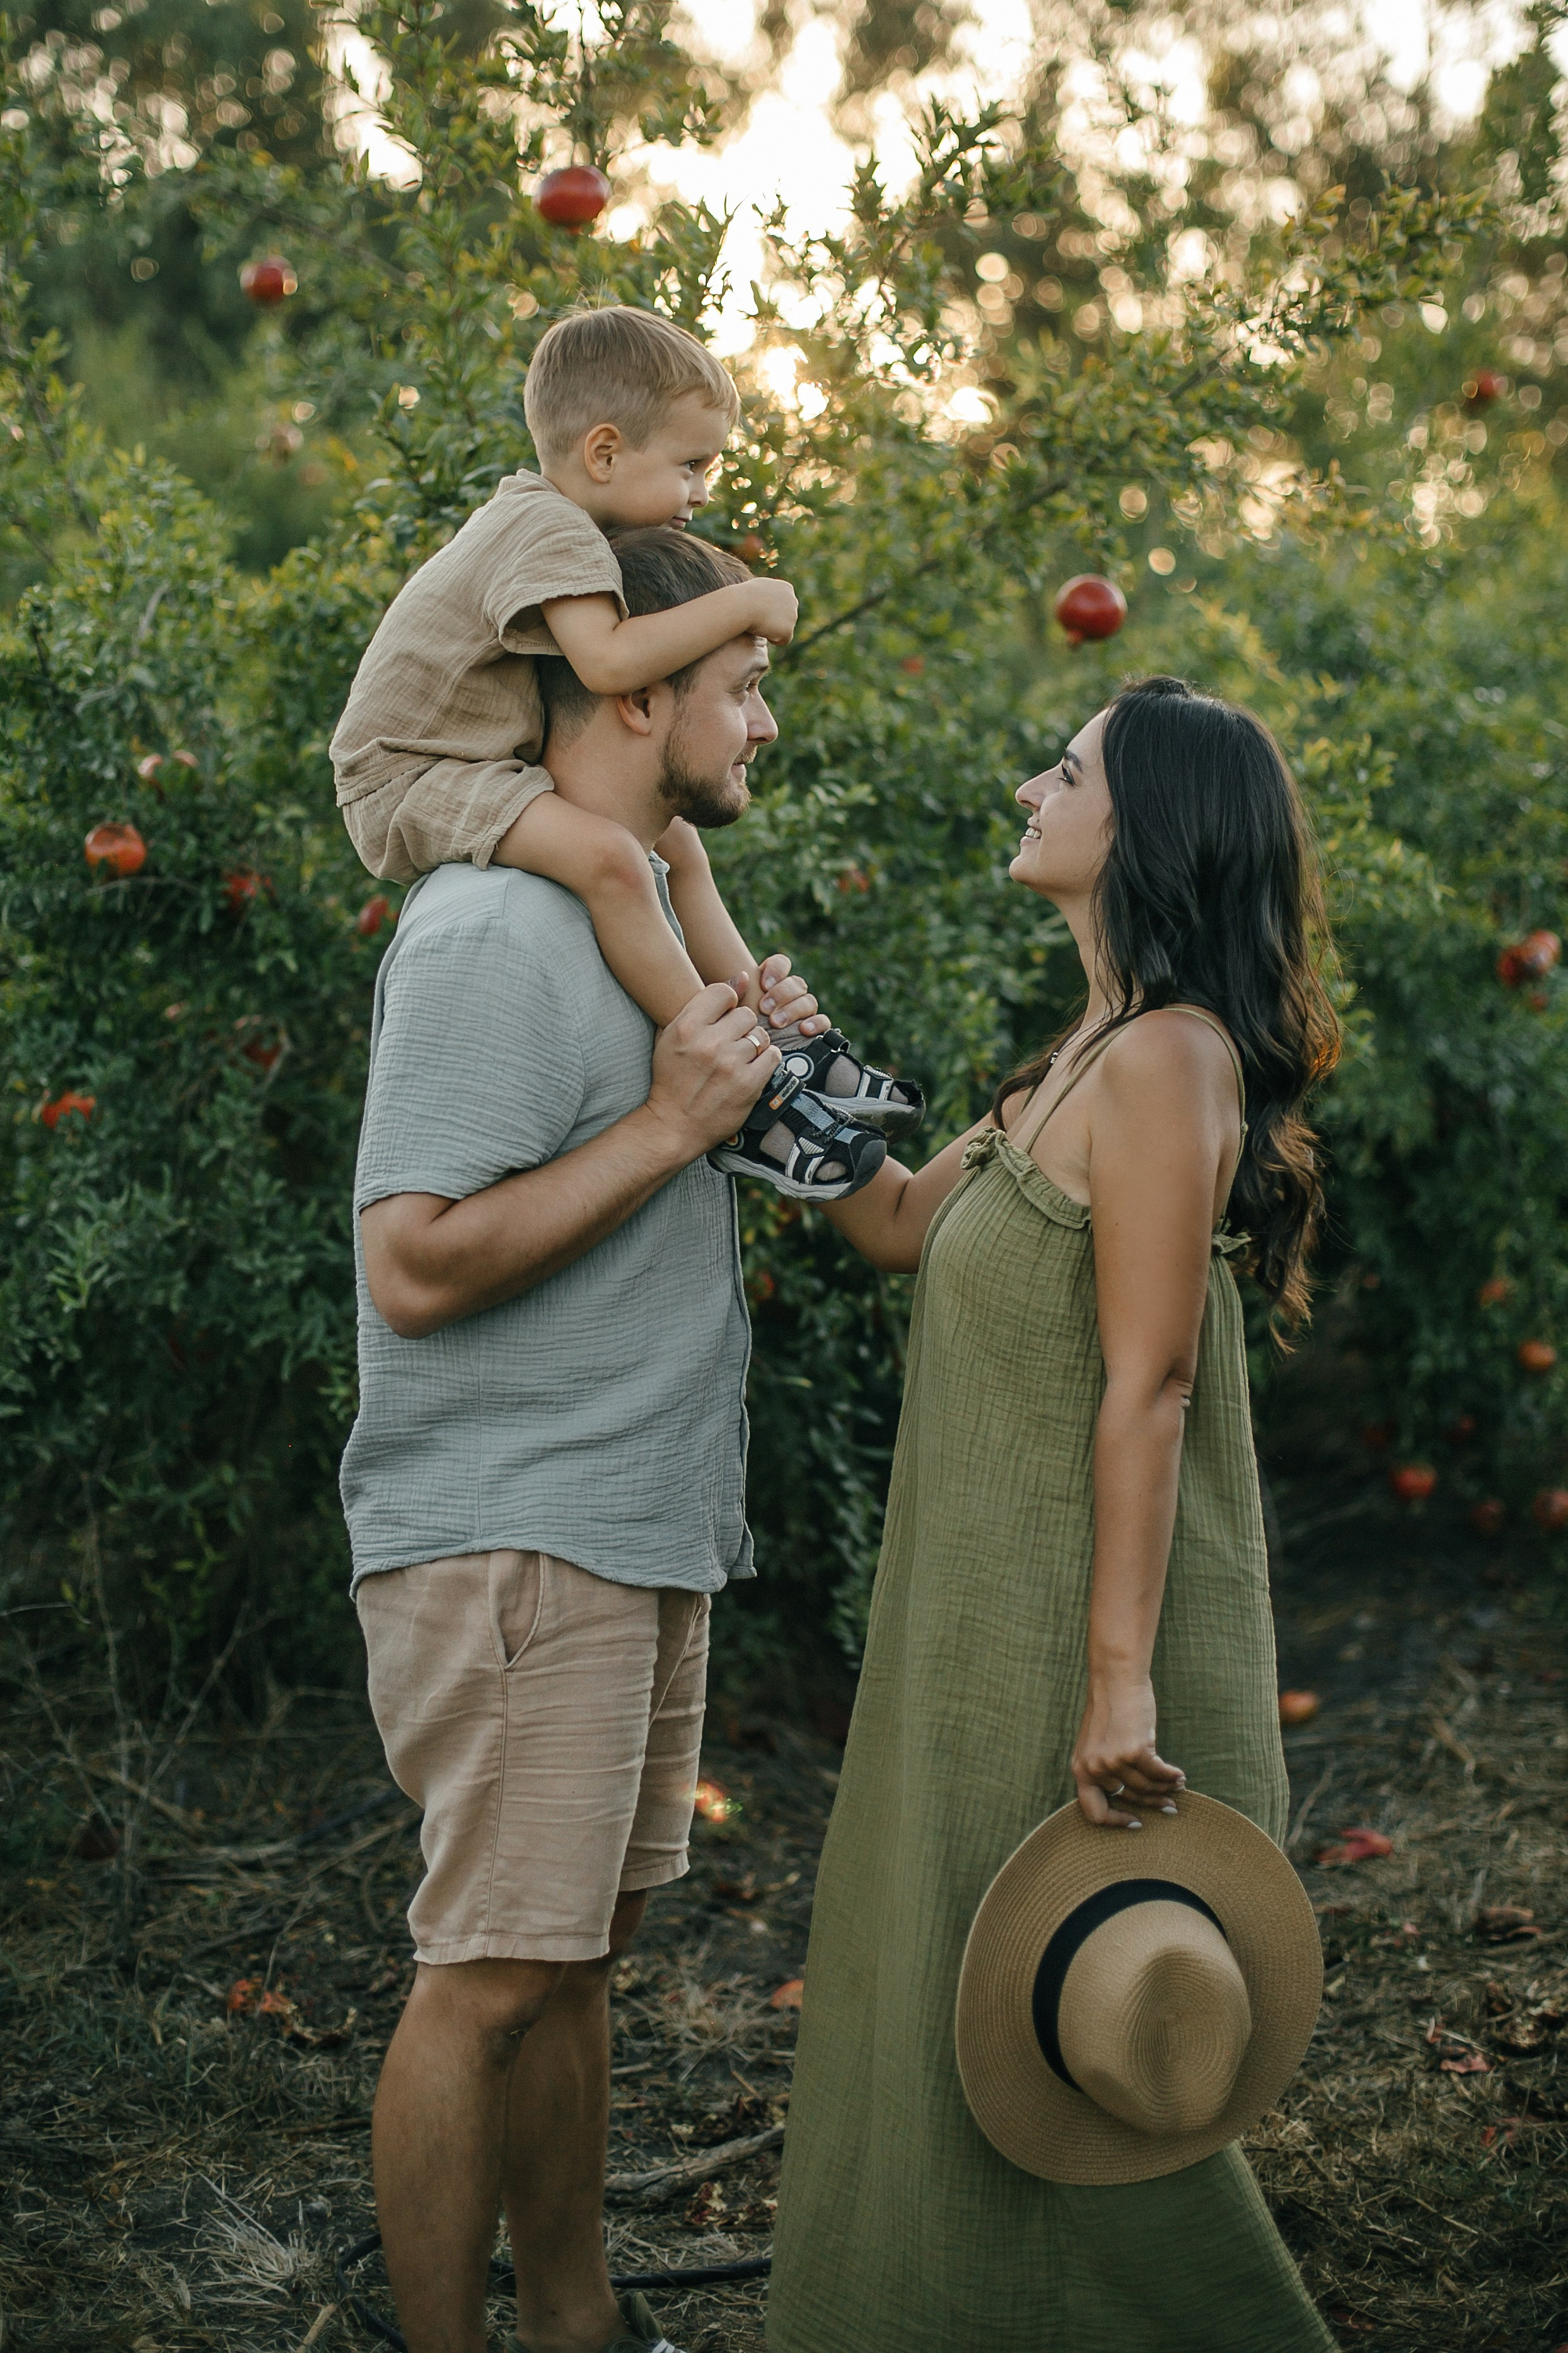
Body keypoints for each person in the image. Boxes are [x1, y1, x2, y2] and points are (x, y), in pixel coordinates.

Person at [769, 675, 1342, 2352]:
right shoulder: (1082, 1055)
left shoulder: (1168, 1060)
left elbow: (1151, 1382)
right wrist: (771, 1050)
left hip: (1085, 1648)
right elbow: (891, 1221)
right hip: (981, 1626)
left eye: (1067, 768)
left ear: (1141, 823)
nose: (1032, 784)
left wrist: (1115, 1686)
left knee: (1085, 2066)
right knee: (959, 2019)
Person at [341, 527, 852, 2353]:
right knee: (484, 1975)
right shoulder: (489, 927)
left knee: (571, 1967)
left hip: (627, 1522)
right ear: (638, 689)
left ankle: (578, 2324)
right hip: (515, 1539)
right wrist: (666, 1123)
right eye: (744, 682)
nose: (764, 718)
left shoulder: (638, 918)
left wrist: (748, 1082)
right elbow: (410, 1264)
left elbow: (808, 1158)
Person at [330, 303, 920, 1194]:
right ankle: (745, 1092)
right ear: (603, 454)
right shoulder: (547, 529)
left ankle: (781, 1037)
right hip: (409, 776)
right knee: (613, 856)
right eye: (692, 466)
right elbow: (610, 664)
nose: (703, 493)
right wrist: (751, 598)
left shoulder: (563, 530)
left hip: (469, 761)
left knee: (672, 844)